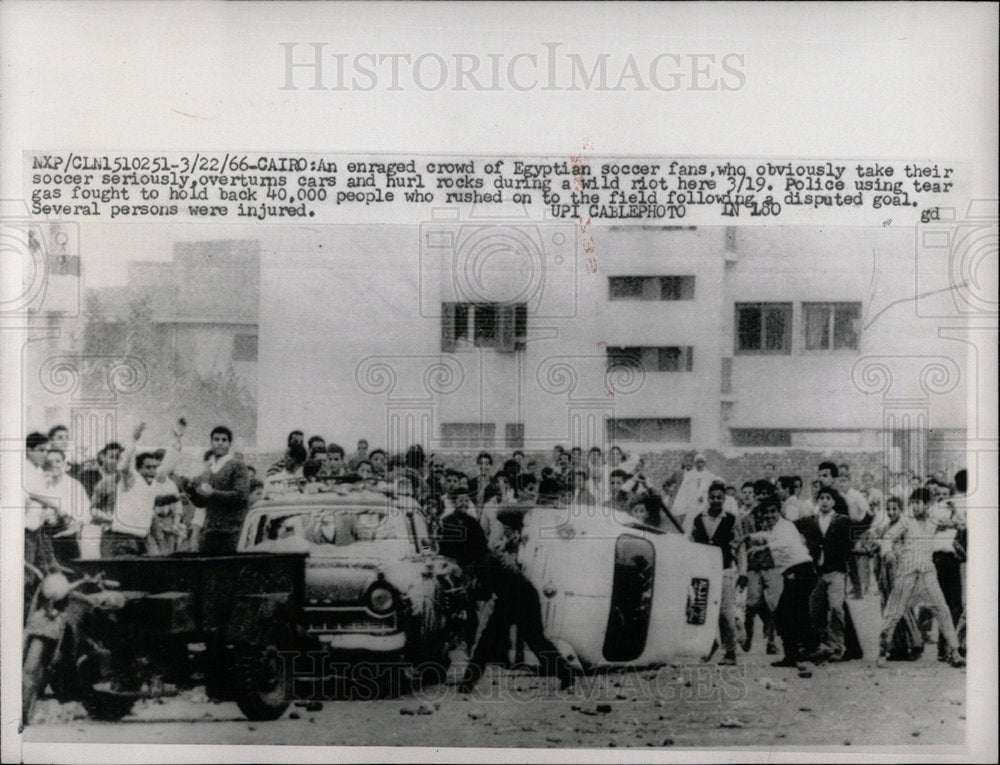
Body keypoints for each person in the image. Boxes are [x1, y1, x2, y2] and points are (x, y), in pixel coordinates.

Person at [438, 495, 574, 693]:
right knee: (531, 641)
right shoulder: (481, 554)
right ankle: (565, 674)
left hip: (517, 598)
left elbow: (483, 591)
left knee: (503, 642)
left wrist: (468, 594)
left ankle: (468, 684)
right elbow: (437, 549)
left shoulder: (482, 560)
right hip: (517, 597)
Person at [876, 488, 964, 668]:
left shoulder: (934, 520)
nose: (914, 507)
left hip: (927, 575)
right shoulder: (906, 522)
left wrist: (956, 518)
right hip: (906, 574)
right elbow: (888, 538)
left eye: (918, 503)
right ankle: (882, 653)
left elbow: (957, 523)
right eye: (912, 503)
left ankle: (954, 652)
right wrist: (888, 553)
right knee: (893, 613)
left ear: (927, 504)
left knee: (943, 611)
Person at [745, 497, 817, 668]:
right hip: (795, 570)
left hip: (800, 570)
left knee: (785, 613)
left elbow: (785, 542)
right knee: (790, 613)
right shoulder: (776, 529)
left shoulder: (786, 526)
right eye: (766, 513)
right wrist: (748, 537)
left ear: (779, 512)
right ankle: (797, 653)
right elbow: (768, 536)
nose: (770, 516)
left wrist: (762, 548)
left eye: (773, 512)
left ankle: (809, 648)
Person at [103, 420, 185, 557]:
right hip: (122, 540)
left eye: (154, 468)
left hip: (140, 539)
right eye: (148, 467)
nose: (152, 471)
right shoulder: (130, 480)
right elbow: (124, 466)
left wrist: (177, 440)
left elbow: (157, 497)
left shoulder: (151, 485)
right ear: (138, 469)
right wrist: (133, 439)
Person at [689, 481, 743, 665]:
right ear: (708, 498)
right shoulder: (698, 519)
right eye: (713, 497)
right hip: (704, 571)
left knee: (725, 613)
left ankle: (731, 652)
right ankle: (709, 645)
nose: (716, 501)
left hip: (725, 570)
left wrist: (742, 571)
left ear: (724, 499)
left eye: (720, 497)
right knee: (702, 610)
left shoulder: (731, 519)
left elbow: (739, 546)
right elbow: (692, 544)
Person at [797, 486, 852, 661]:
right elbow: (792, 527)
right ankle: (822, 645)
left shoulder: (843, 520)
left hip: (836, 570)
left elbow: (850, 543)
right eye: (822, 498)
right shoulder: (811, 520)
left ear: (834, 501)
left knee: (836, 607)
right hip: (817, 572)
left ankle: (837, 646)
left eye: (828, 498)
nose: (825, 501)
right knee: (815, 609)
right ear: (817, 501)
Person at [186, 425, 251, 554]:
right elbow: (202, 503)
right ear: (211, 443)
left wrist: (213, 493)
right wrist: (191, 491)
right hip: (210, 530)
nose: (220, 443)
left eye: (224, 440)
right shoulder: (208, 470)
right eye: (216, 439)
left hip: (232, 530)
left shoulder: (237, 465)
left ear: (229, 444)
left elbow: (241, 495)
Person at [675, 453, 720, 533]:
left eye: (701, 462)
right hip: (691, 505)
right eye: (698, 462)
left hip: (703, 505)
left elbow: (712, 491)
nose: (699, 464)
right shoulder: (689, 475)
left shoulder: (710, 476)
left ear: (704, 463)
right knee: (688, 527)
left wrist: (704, 496)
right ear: (695, 463)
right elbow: (683, 491)